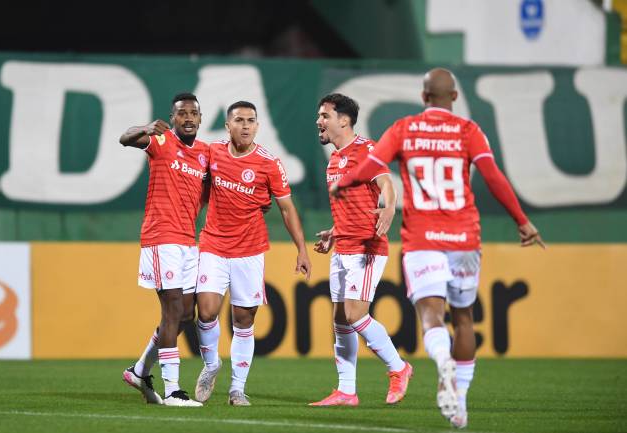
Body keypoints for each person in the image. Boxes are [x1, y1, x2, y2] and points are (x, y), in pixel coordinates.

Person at [331, 68, 545, 428]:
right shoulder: (469, 131)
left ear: (424, 97)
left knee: (431, 315)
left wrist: (346, 181)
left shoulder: (405, 128)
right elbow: (493, 176)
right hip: (465, 236)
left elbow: (372, 165)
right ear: (455, 98)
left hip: (422, 238)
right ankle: (458, 400)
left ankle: (441, 361)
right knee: (464, 318)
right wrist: (521, 220)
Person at [193, 101, 312, 406]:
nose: (245, 125)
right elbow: (200, 192)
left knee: (243, 319)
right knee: (205, 311)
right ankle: (211, 365)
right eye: (239, 120)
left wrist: (302, 249)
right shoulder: (212, 152)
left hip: (249, 250)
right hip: (213, 244)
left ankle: (237, 389)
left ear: (257, 126)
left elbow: (287, 209)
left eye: (251, 120)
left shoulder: (269, 163)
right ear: (227, 125)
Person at [309, 94, 413, 407]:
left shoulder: (368, 150)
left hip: (367, 247)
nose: (319, 121)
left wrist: (390, 206)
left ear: (344, 120)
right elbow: (352, 205)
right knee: (341, 319)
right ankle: (346, 391)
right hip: (344, 246)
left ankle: (399, 367)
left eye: (325, 115)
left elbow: (385, 183)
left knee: (356, 315)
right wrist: (334, 231)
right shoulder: (334, 160)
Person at [119, 92, 209, 407]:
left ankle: (140, 370)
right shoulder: (161, 142)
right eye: (181, 113)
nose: (187, 118)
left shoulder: (204, 154)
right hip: (161, 237)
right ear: (172, 118)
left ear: (200, 118)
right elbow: (125, 138)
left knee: (185, 314)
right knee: (171, 310)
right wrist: (145, 127)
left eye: (193, 113)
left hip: (188, 241)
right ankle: (173, 390)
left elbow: (210, 191)